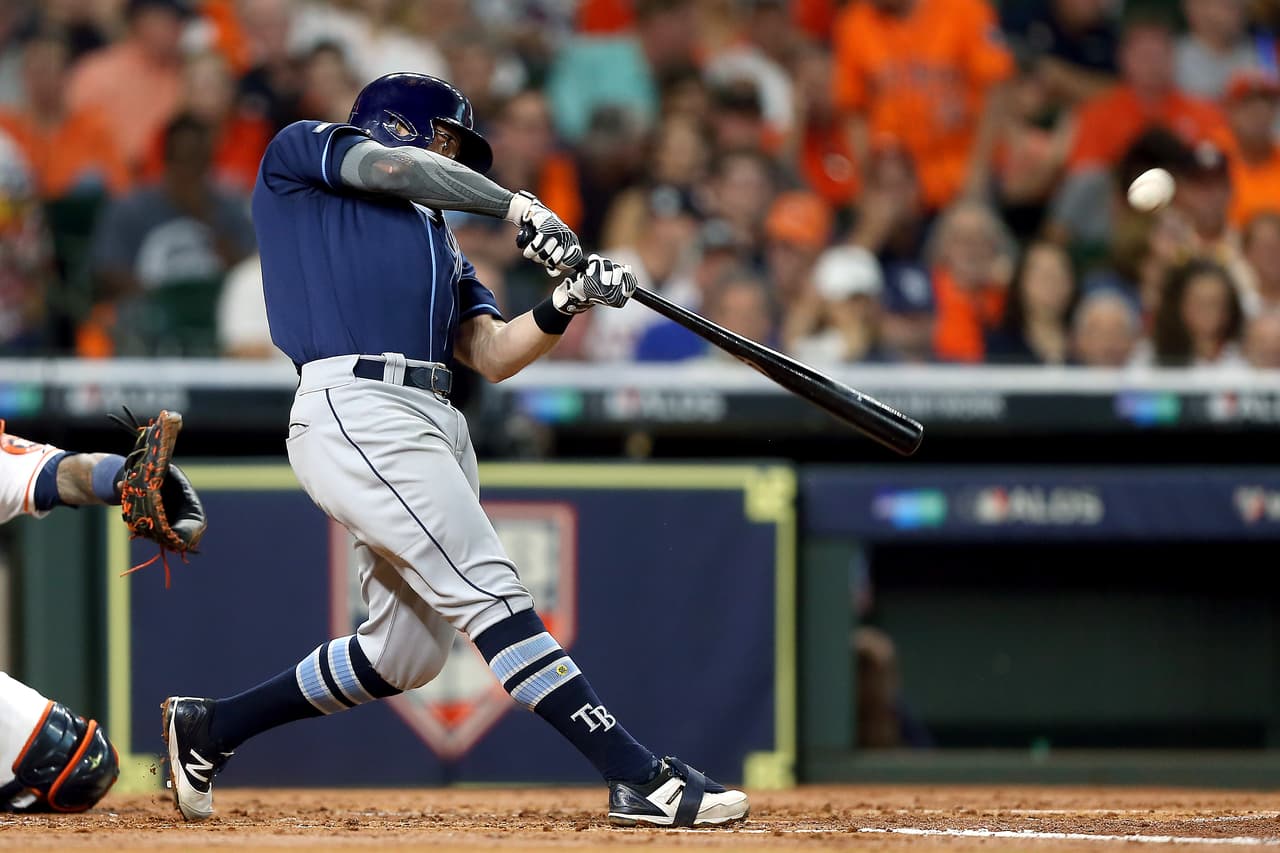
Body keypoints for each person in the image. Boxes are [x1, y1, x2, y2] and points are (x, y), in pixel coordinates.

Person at [160, 72, 748, 829]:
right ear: (400, 123)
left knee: (403, 655)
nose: (452, 158)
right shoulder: (306, 153)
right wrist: (518, 206)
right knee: (490, 591)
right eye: (445, 140)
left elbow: (492, 353)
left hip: (432, 416)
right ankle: (638, 776)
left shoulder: (438, 243)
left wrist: (564, 301)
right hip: (358, 405)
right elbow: (389, 168)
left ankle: (211, 728)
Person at [832, 0, 1013, 210]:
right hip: (897, 182)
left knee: (968, 223)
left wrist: (978, 171)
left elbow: (997, 88)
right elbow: (853, 111)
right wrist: (866, 183)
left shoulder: (965, 8)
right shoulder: (855, 23)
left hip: (964, 168)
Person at [985, 241, 1078, 365]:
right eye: (1041, 274)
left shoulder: (1088, 343)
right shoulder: (997, 345)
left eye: (1059, 273)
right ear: (1020, 282)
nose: (1051, 282)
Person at [1142, 259, 1247, 367]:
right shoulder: (1151, 358)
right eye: (1197, 302)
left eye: (1215, 303)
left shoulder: (1242, 358)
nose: (1207, 311)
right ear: (1178, 306)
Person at [1224, 70, 1280, 230]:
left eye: (1266, 104)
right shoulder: (1215, 159)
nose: (1258, 112)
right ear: (1230, 110)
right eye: (1248, 105)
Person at [1071, 289, 1141, 367]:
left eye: (1116, 333)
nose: (1107, 343)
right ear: (1078, 339)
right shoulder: (1062, 371)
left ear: (1133, 341)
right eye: (1098, 334)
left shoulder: (1145, 372)